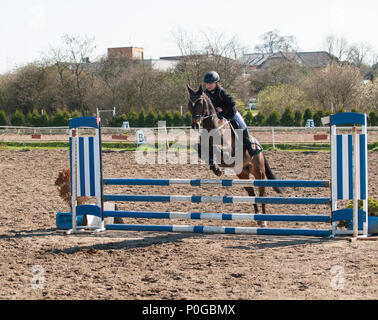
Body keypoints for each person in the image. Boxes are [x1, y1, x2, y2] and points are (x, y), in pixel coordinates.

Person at [203, 71, 257, 157]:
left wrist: (223, 109)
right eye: (207, 83)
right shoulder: (206, 93)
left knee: (242, 125)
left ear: (216, 83)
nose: (208, 85)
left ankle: (250, 147)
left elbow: (232, 103)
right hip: (219, 116)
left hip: (231, 113)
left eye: (210, 83)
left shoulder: (221, 91)